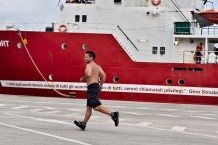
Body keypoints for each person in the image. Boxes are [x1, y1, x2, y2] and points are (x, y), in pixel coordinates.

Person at [74, 51, 119, 131]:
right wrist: (101, 85)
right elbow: (104, 75)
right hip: (95, 87)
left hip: (92, 88)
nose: (85, 58)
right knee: (89, 107)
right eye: (85, 57)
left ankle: (113, 114)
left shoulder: (88, 65)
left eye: (87, 57)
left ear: (91, 58)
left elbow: (88, 74)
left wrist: (82, 78)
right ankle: (83, 124)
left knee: (96, 107)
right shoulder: (97, 66)